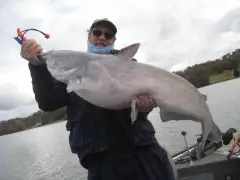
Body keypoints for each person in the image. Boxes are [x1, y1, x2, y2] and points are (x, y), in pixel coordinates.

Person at [20, 18, 176, 180]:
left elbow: (139, 111)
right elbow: (49, 103)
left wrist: (144, 109)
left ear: (113, 41)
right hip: (102, 168)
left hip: (145, 157)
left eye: (108, 35)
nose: (102, 37)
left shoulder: (130, 67)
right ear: (89, 36)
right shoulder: (71, 69)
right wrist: (37, 67)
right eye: (97, 32)